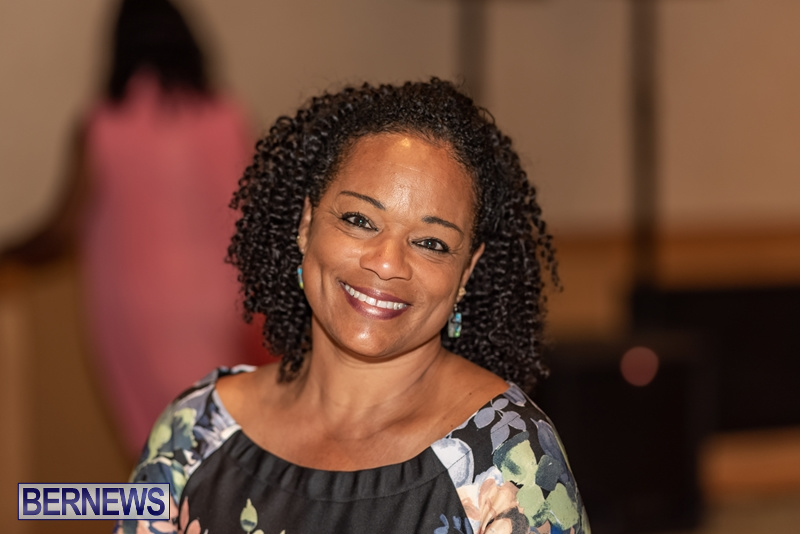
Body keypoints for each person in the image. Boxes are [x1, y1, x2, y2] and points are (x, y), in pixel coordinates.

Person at [118, 79, 590, 534]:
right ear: (307, 224)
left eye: (430, 243)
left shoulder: (511, 458)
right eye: (360, 220)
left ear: (466, 270)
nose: (386, 263)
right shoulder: (192, 432)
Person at [79, 0, 269, 456]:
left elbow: (70, 221)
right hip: (218, 300)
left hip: (135, 307)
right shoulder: (225, 116)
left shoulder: (103, 125)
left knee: (162, 438)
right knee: (217, 434)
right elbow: (257, 206)